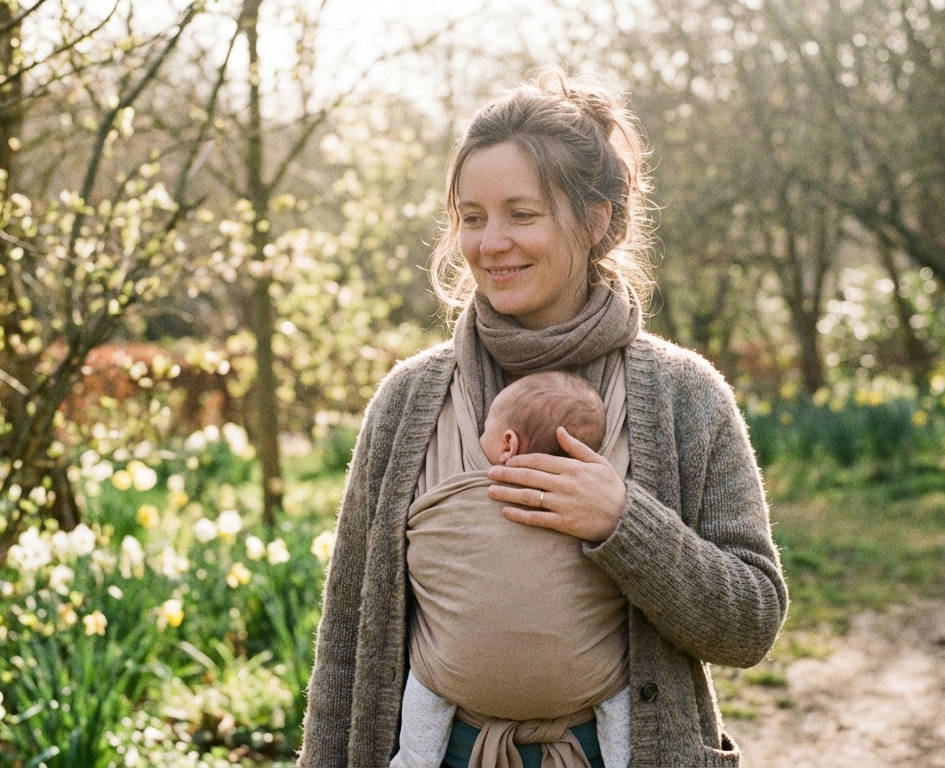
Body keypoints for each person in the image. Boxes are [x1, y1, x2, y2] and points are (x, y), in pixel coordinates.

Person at [299, 66, 787, 768]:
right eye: (471, 217)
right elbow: (345, 642)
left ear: (597, 220)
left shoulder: (685, 396)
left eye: (520, 214)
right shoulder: (410, 402)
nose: (489, 243)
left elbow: (751, 624)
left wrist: (626, 523)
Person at [396, 371, 627, 768]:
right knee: (621, 698)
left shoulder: (454, 497)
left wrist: (626, 521)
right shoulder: (408, 395)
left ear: (508, 445)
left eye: (487, 429)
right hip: (598, 686)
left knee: (426, 689)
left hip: (446, 678)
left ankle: (413, 760)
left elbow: (425, 537)